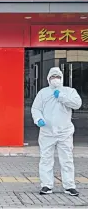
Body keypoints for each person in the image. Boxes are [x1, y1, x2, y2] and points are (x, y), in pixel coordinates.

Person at [31, 67, 82, 196]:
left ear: (61, 78)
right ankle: (46, 185)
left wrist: (62, 97)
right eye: (53, 77)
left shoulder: (69, 91)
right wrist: (39, 119)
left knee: (67, 159)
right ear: (48, 79)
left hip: (65, 132)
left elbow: (77, 104)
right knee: (46, 159)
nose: (55, 79)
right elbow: (36, 108)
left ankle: (69, 186)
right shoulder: (43, 93)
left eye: (57, 77)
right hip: (47, 132)